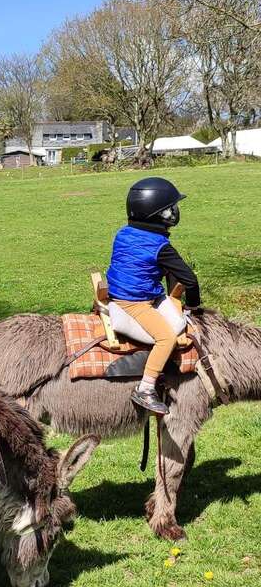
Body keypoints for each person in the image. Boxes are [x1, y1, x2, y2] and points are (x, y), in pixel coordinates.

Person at [106, 177, 201, 415]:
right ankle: (145, 388)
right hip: (134, 303)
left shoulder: (124, 232)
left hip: (121, 290)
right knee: (166, 338)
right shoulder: (161, 247)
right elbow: (190, 280)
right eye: (170, 208)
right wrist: (193, 306)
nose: (174, 212)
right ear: (158, 213)